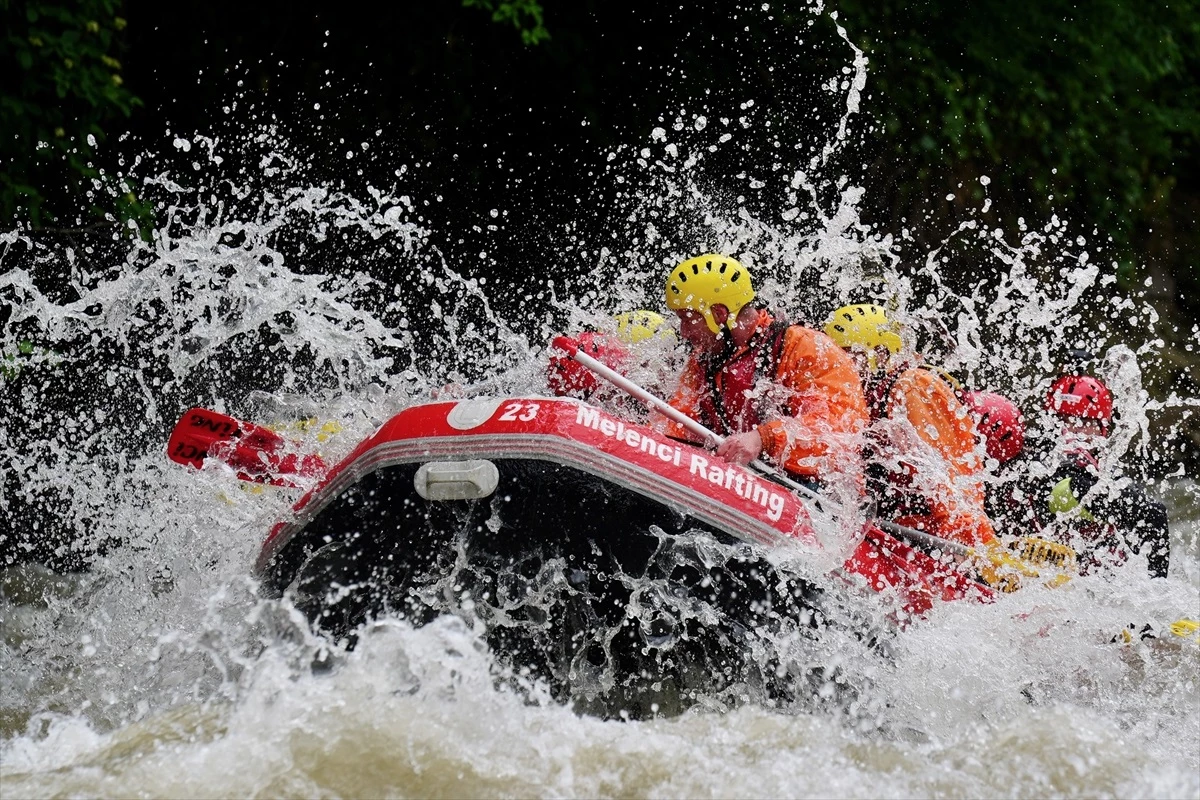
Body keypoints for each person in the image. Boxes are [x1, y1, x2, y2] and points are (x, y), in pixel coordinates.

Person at [659, 254, 868, 490]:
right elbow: (676, 420)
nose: (684, 333)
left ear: (718, 314)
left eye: (688, 320)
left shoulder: (805, 347)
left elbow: (836, 432)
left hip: (816, 491)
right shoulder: (703, 360)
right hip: (749, 483)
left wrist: (763, 438)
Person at [823, 304, 996, 547]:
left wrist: (964, 541)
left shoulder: (912, 387)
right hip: (889, 531)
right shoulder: (862, 396)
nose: (838, 366)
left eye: (848, 356)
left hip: (931, 539)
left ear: (881, 353)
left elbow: (947, 476)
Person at [1031, 372, 1171, 578]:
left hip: (1096, 579)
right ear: (1050, 422)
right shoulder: (1035, 464)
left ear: (1102, 430)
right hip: (1046, 554)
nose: (1075, 431)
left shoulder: (1104, 474)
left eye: (1086, 422)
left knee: (1148, 514)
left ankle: (1154, 593)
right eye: (1066, 421)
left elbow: (1148, 514)